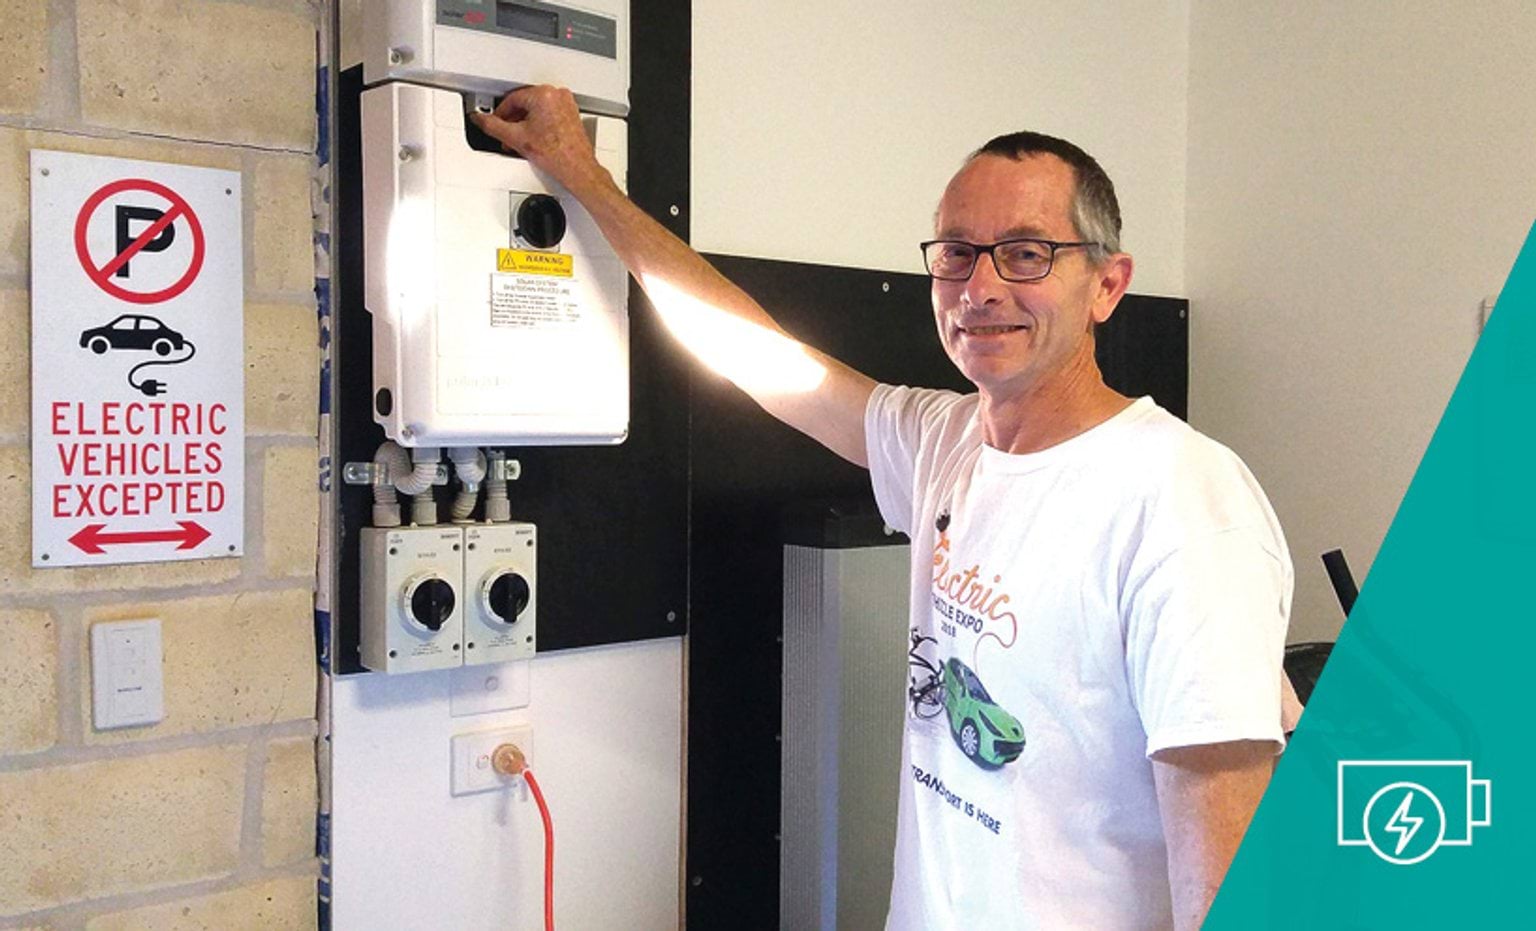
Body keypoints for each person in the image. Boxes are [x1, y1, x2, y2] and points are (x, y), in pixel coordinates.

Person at [474, 87, 1294, 930]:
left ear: (1107, 285)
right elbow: (752, 354)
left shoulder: (1185, 503)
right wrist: (582, 176)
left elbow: (1227, 883)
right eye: (958, 253)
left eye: (1026, 254)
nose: (980, 287)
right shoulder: (944, 441)